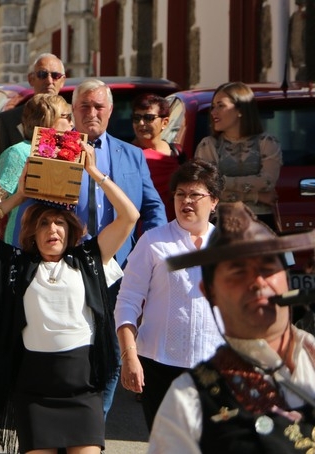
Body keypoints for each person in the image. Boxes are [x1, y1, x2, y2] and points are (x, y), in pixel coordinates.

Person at [0, 141, 140, 454]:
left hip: (82, 388)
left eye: (59, 222)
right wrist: (17, 197)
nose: (52, 230)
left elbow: (129, 216)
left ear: (70, 229)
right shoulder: (17, 262)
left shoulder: (89, 258)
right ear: (32, 232)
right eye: (44, 223)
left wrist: (94, 173)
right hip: (34, 389)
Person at [148, 201, 315, 453]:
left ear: (286, 278)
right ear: (209, 291)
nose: (258, 282)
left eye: (268, 267)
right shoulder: (189, 400)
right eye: (238, 271)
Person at [72, 78, 167, 418]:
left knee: (113, 352)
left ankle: (94, 423)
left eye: (99, 106)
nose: (92, 112)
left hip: (119, 270)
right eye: (85, 106)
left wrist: (150, 254)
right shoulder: (55, 149)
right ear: (73, 109)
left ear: (110, 111)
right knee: (74, 349)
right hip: (68, 267)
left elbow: (153, 207)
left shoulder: (132, 156)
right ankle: (72, 420)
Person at [115, 159, 225, 430]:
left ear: (214, 201)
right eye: (180, 194)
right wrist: (129, 356)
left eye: (195, 195)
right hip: (161, 365)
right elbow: (127, 302)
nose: (186, 201)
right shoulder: (153, 242)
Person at [0, 94, 73, 247]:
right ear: (50, 118)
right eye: (67, 116)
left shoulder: (69, 152)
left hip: (59, 244)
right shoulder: (19, 152)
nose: (72, 122)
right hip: (24, 243)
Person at [194, 82, 282, 229]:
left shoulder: (267, 142)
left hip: (261, 223)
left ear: (240, 109)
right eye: (213, 106)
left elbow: (267, 181)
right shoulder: (208, 145)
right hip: (222, 223)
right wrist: (255, 196)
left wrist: (222, 183)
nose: (213, 112)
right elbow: (206, 188)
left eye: (220, 105)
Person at [0, 53, 66, 174]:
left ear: (62, 81)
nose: (49, 81)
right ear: (31, 79)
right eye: (42, 74)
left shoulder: (73, 117)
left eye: (55, 75)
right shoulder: (8, 120)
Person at [131, 93, 180, 222]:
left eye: (148, 118)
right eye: (136, 118)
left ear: (165, 122)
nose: (141, 123)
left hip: (173, 229)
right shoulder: (126, 155)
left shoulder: (178, 154)